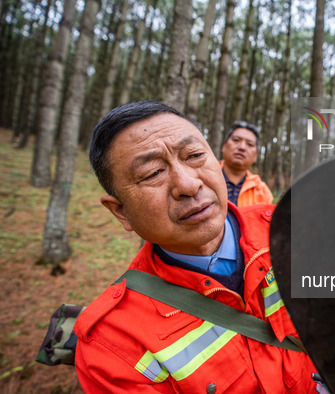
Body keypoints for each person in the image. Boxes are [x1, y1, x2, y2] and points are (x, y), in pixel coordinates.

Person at [73, 101, 321, 392]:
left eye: (194, 155)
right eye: (153, 173)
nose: (189, 184)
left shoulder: (289, 231)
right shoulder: (113, 345)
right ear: (121, 212)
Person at [221, 121, 274, 206]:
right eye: (236, 140)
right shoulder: (204, 177)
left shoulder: (262, 191)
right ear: (224, 146)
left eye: (250, 144)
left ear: (255, 156)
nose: (242, 147)